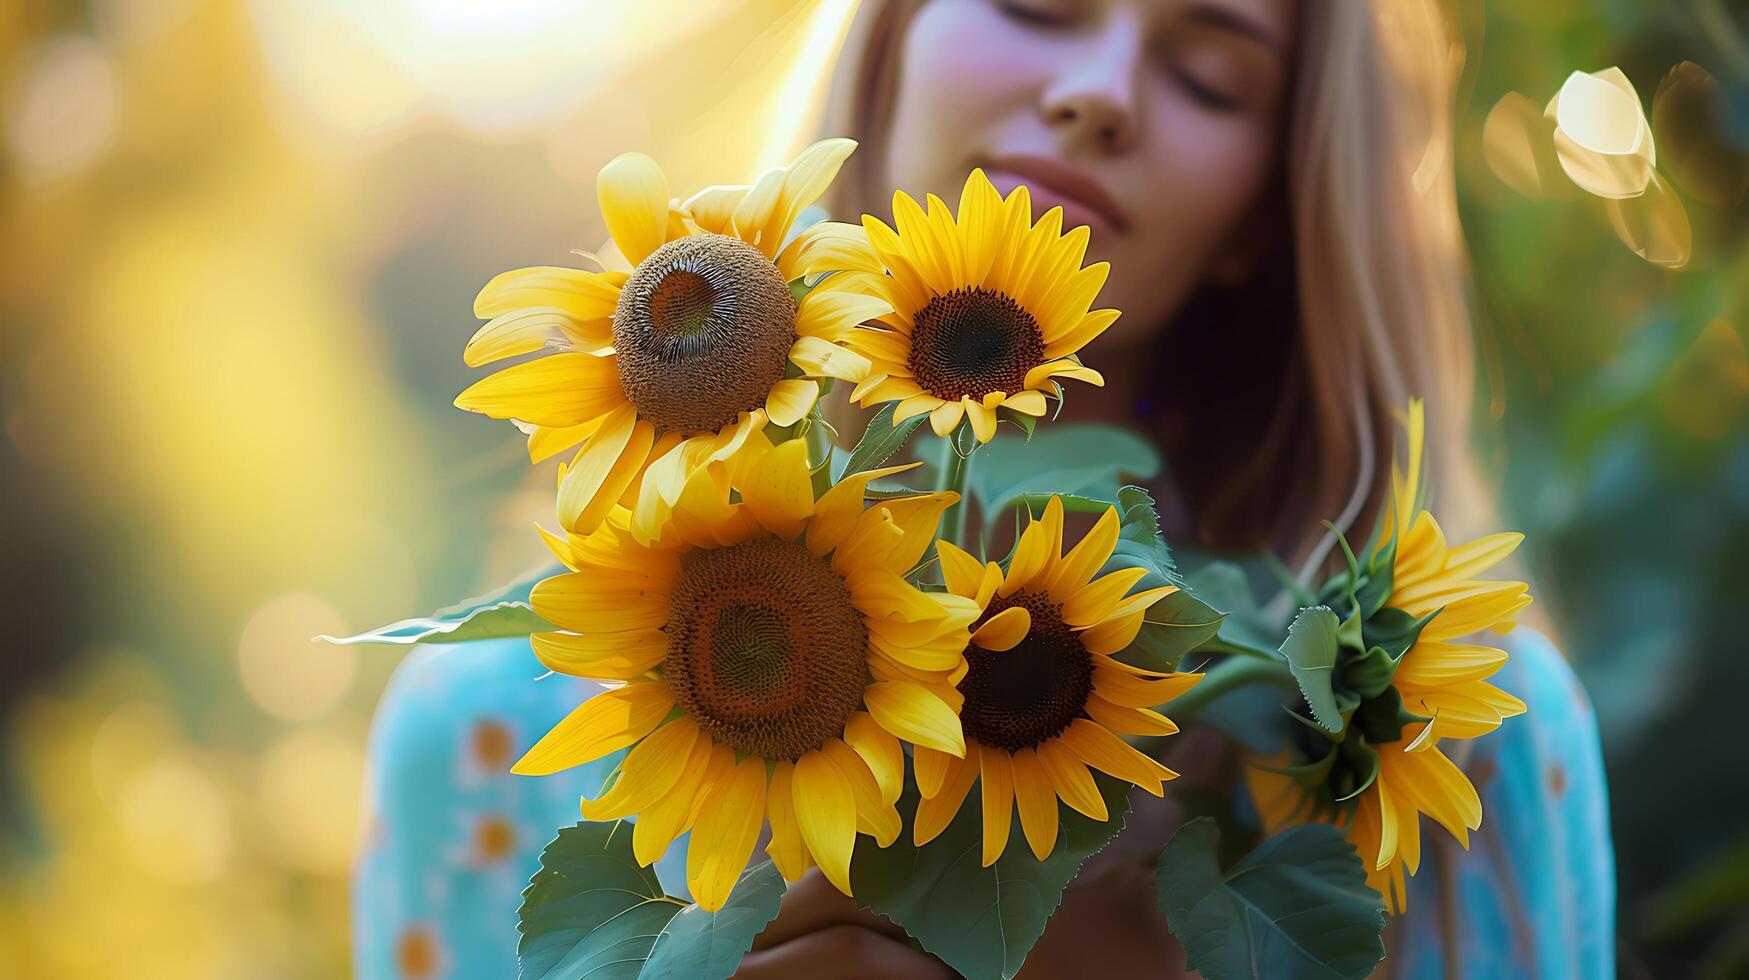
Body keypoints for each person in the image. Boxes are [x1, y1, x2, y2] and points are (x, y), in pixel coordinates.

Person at [352, 1, 1614, 976]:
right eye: (1035, 1)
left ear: (1264, 209)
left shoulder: (1451, 743)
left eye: (1209, 75)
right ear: (892, 35)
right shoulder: (489, 741)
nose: (1098, 93)